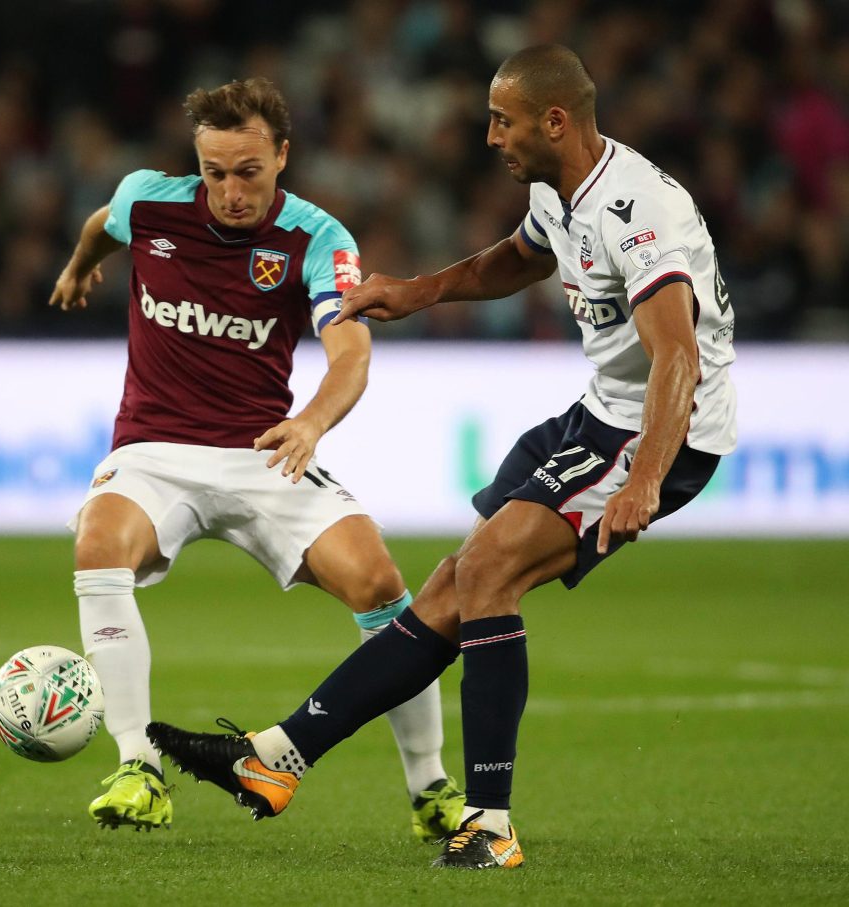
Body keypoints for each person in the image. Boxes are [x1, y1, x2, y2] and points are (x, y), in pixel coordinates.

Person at [146, 45, 737, 870]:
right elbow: (522, 257)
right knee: (453, 585)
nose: (490, 134)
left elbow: (678, 357)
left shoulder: (638, 212)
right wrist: (420, 291)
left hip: (662, 433)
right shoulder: (556, 188)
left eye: (504, 119)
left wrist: (643, 479)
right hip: (601, 414)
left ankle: (489, 823)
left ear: (554, 120)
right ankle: (275, 757)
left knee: (488, 571)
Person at [48, 77, 463, 839]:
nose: (231, 191)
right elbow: (105, 223)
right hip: (154, 448)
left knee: (380, 582)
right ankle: (139, 765)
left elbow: (351, 356)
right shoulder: (152, 199)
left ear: (282, 155)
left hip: (264, 445)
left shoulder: (317, 237)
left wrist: (309, 423)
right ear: (195, 162)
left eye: (248, 172)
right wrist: (79, 265)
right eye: (214, 172)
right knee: (98, 545)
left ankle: (431, 788)